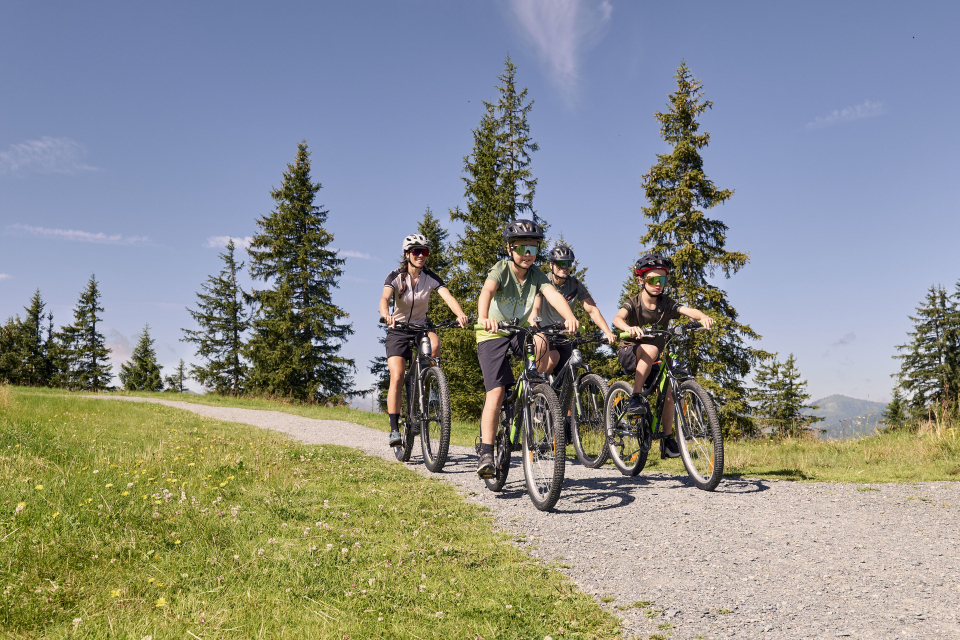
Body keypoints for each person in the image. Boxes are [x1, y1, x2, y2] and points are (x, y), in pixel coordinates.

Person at [475, 219, 580, 477]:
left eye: (532, 249)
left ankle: (534, 388)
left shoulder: (537, 275)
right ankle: (487, 451)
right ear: (510, 249)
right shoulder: (501, 269)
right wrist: (483, 317)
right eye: (522, 249)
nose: (527, 255)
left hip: (520, 331)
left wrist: (569, 316)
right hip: (492, 333)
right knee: (496, 392)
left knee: (543, 340)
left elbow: (554, 296)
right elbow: (486, 292)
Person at [611, 253, 714, 458]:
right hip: (631, 352)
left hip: (654, 359)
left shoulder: (665, 303)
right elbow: (617, 319)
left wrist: (702, 317)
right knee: (650, 348)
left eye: (662, 280)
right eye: (652, 279)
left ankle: (667, 440)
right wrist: (629, 328)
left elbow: (686, 310)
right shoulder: (634, 302)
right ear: (641, 280)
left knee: (669, 395)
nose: (658, 284)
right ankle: (635, 397)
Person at [379, 234, 469, 447]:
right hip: (398, 329)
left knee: (435, 344)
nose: (421, 255)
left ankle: (431, 388)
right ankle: (394, 429)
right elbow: (384, 299)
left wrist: (460, 314)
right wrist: (386, 315)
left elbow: (448, 297)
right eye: (416, 251)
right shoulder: (395, 276)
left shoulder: (430, 277)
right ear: (407, 254)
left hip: (421, 327)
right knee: (398, 376)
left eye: (424, 251)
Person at [531, 244, 617, 375]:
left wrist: (608, 332)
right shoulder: (543, 281)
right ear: (551, 265)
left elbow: (592, 310)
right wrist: (535, 326)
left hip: (563, 333)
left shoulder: (575, 285)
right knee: (553, 358)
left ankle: (559, 393)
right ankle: (541, 387)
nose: (564, 267)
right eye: (560, 263)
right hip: (543, 331)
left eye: (568, 263)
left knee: (569, 372)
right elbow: (535, 306)